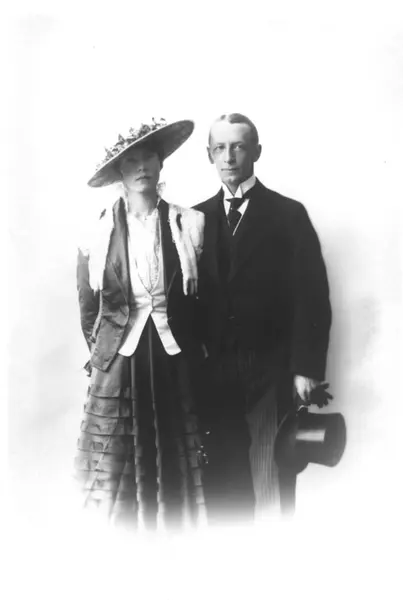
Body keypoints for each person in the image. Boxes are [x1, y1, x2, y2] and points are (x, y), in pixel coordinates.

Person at [195, 113, 332, 521]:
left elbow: (312, 297)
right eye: (220, 148)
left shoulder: (288, 215)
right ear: (209, 155)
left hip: (271, 370)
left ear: (256, 151)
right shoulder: (194, 220)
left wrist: (306, 369)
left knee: (272, 475)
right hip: (213, 373)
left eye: (238, 147)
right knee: (222, 479)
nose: (229, 157)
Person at [75, 118, 208, 531]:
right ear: (120, 171)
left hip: (172, 353)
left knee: (173, 446)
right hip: (121, 356)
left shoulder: (188, 223)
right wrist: (105, 353)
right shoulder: (98, 230)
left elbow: (202, 299)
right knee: (115, 457)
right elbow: (88, 306)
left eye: (149, 157)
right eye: (131, 161)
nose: (141, 167)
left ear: (161, 163)